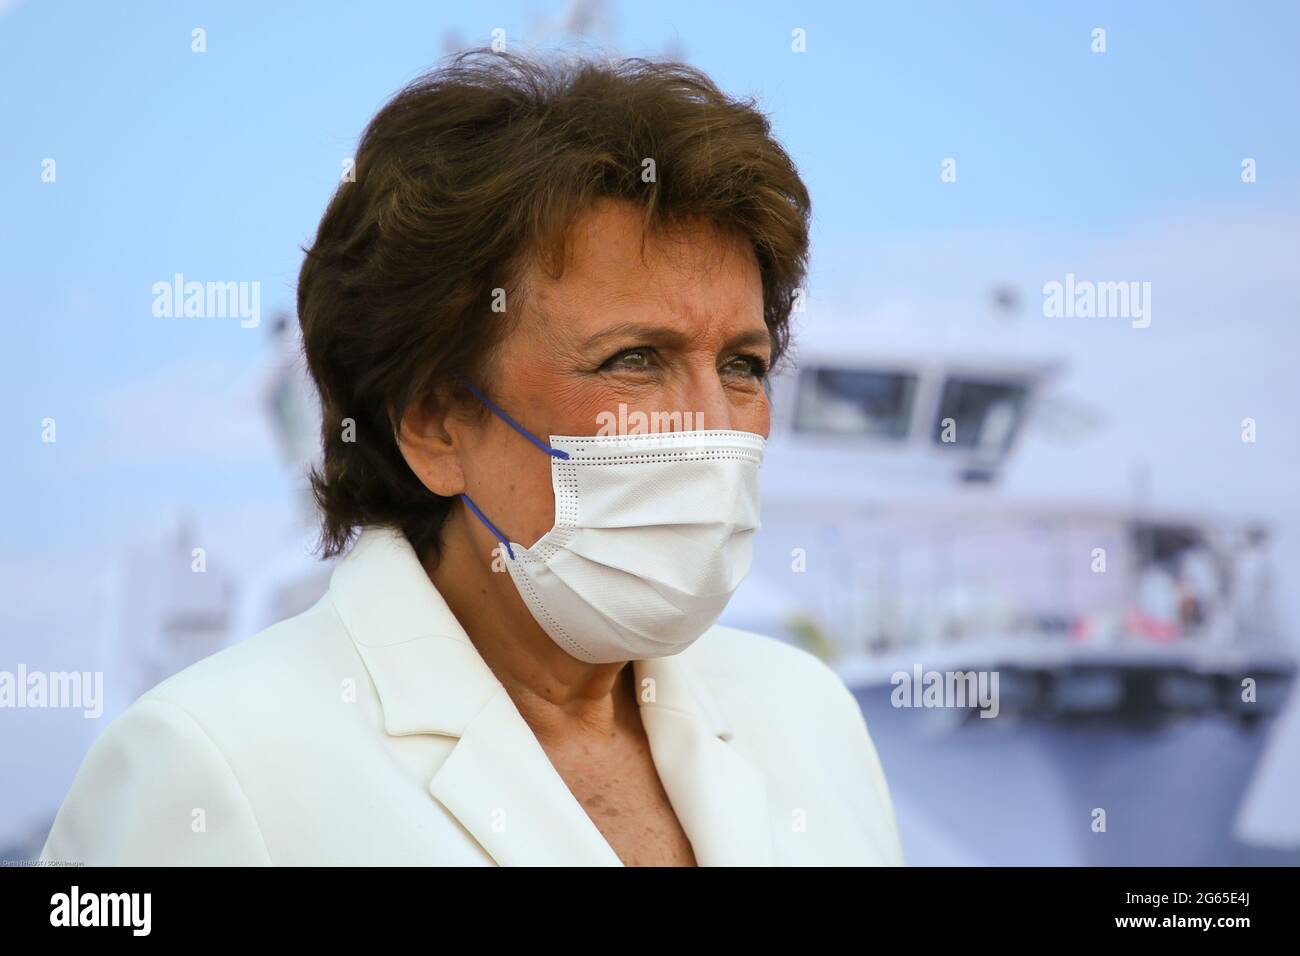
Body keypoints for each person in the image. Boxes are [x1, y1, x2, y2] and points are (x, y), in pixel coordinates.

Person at [39, 50, 904, 867]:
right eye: (634, 360)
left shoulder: (808, 717)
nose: (710, 427)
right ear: (435, 424)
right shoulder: (212, 765)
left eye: (742, 366)